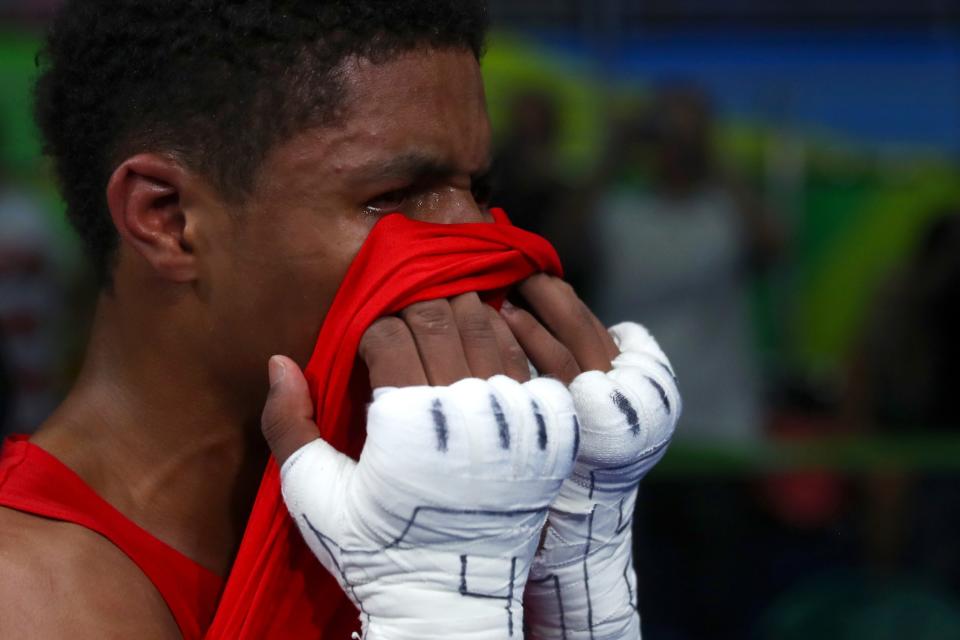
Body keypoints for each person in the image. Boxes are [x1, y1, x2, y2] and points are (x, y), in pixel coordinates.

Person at [0, 2, 679, 638]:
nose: (478, 241)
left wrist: (578, 589)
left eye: (478, 190)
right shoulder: (26, 595)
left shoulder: (451, 509)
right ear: (169, 222)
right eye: (393, 199)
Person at [591, 86, 781, 442]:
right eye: (666, 134)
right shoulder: (617, 211)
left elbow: (776, 247)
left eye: (688, 136)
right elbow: (560, 244)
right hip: (632, 420)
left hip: (720, 419)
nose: (677, 147)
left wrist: (715, 159)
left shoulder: (725, 211)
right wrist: (612, 156)